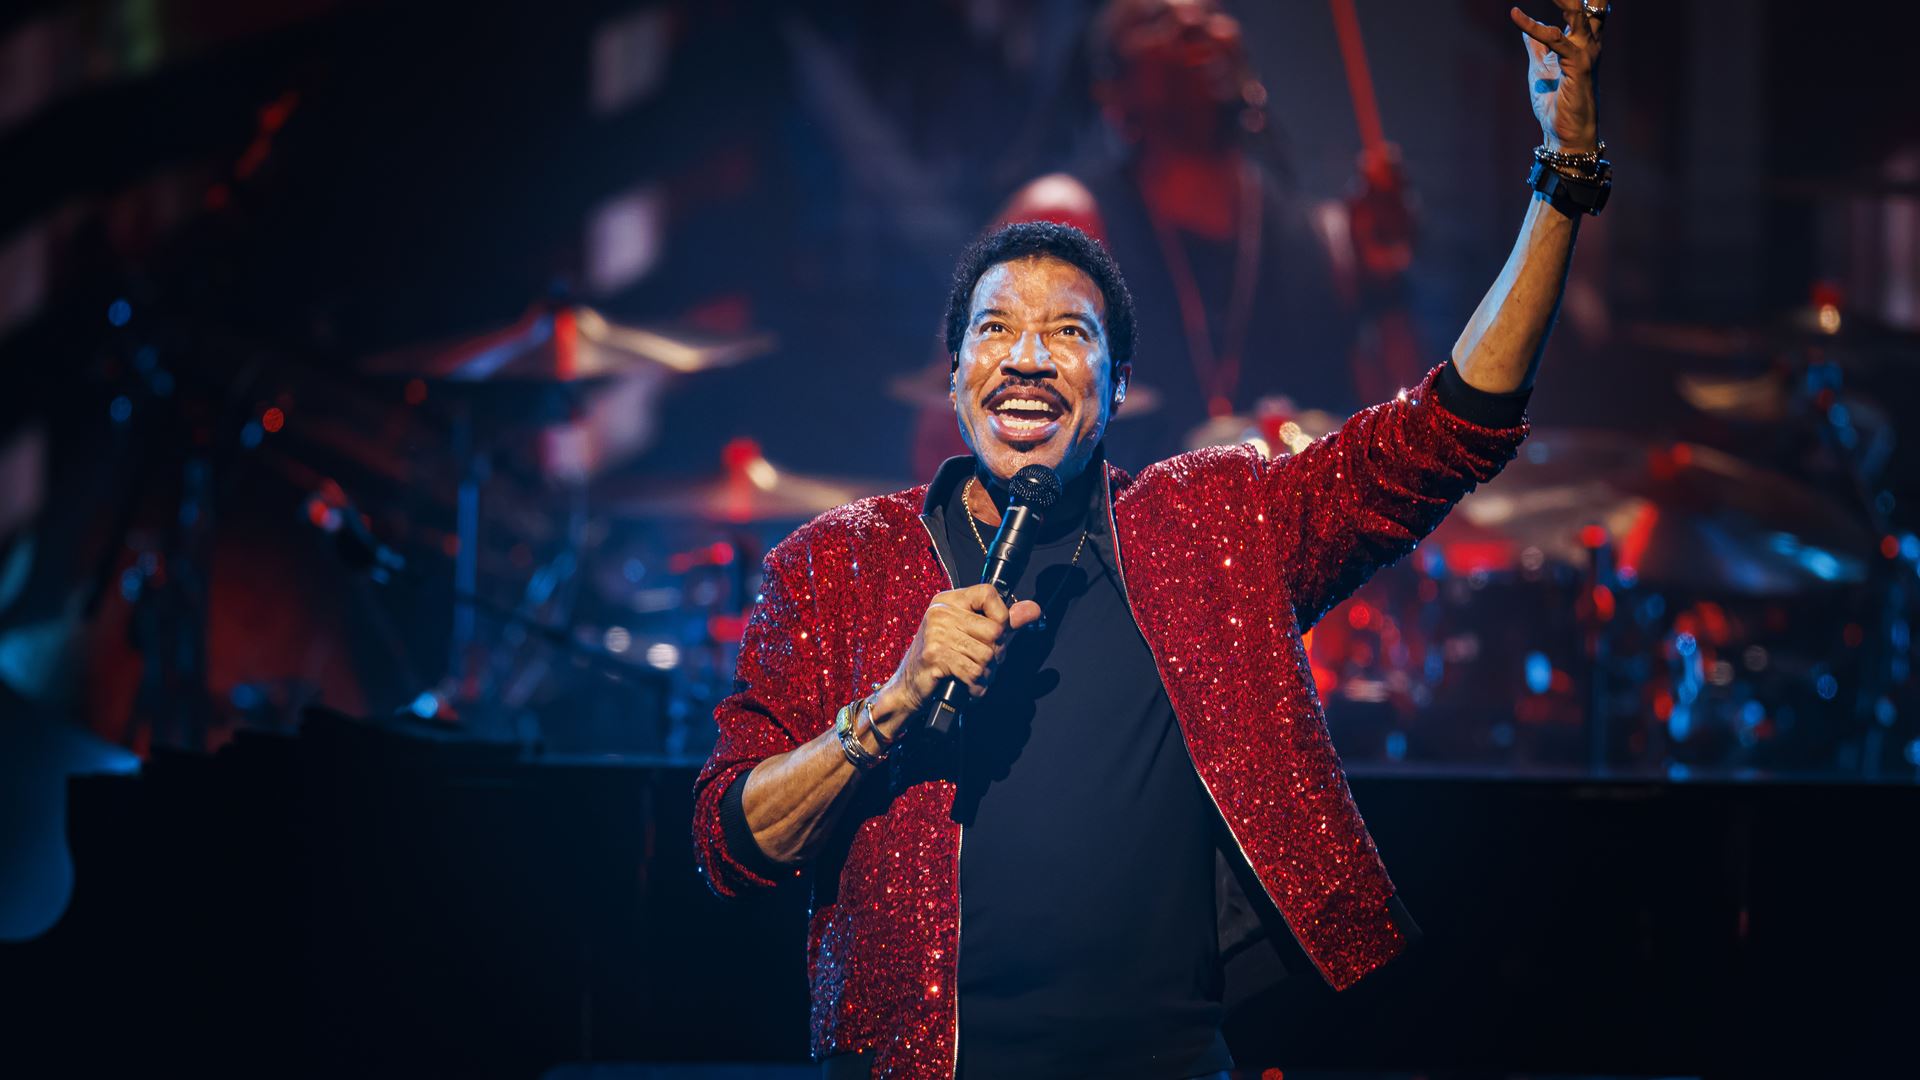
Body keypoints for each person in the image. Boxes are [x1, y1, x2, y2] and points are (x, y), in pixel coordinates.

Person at [695, 3, 1610, 1076]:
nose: (1026, 358)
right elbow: (729, 845)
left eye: (1067, 333)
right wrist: (890, 705)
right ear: (952, 379)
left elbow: (1446, 430)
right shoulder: (836, 564)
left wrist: (1562, 179)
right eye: (995, 329)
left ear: (1120, 386)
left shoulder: (1212, 531)